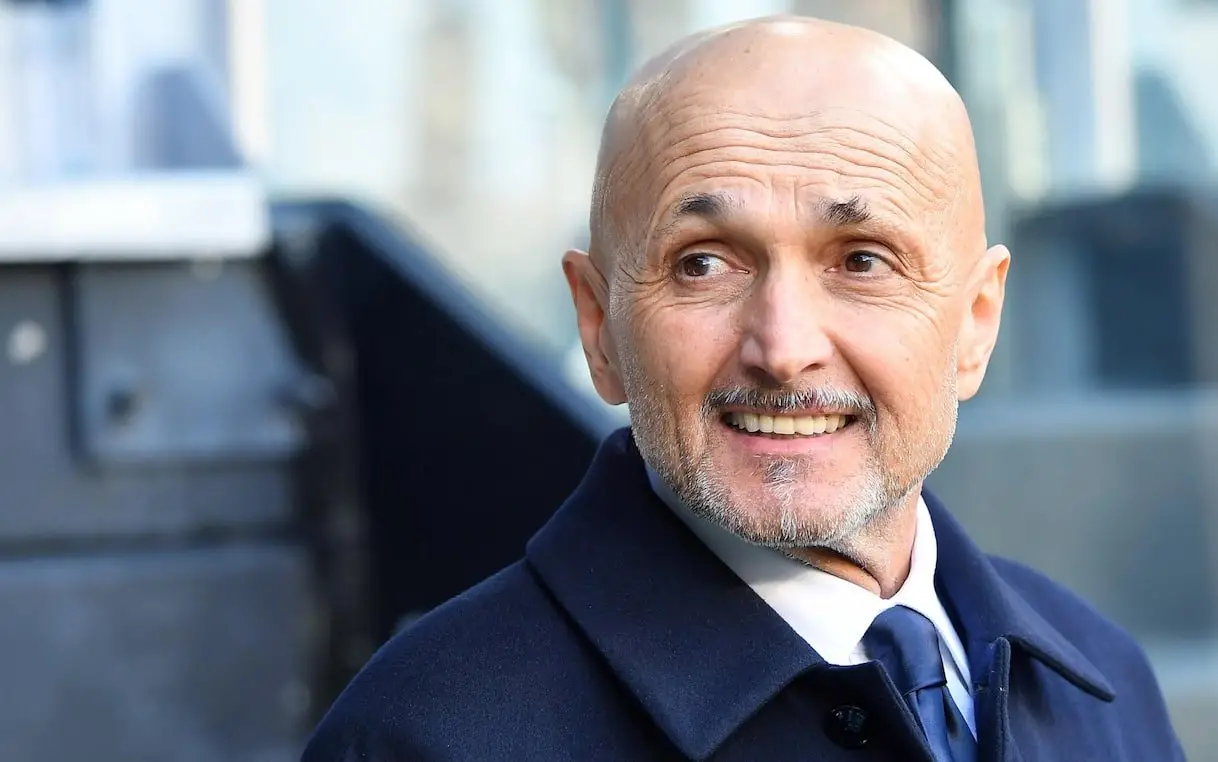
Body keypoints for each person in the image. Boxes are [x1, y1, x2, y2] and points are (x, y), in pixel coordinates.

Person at [301, 16, 1185, 761]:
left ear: (976, 322)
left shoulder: (1105, 687)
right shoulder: (428, 739)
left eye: (862, 260)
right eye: (703, 264)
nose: (783, 349)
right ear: (600, 326)